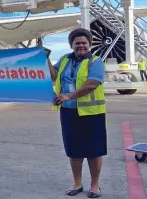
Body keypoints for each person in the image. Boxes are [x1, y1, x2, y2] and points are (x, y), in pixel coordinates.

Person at [47, 28, 106, 198]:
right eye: (77, 43)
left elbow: (92, 84)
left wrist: (69, 96)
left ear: (89, 44)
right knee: (74, 151)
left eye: (84, 43)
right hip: (69, 112)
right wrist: (46, 58)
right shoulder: (65, 59)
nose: (81, 45)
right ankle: (77, 184)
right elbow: (53, 76)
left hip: (92, 113)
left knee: (94, 151)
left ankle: (95, 186)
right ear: (72, 45)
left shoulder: (95, 61)